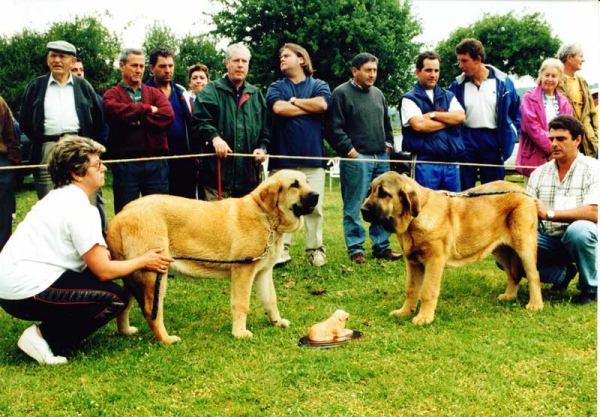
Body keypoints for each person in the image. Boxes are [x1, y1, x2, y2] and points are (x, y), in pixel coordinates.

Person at [0, 136, 173, 364]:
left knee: (100, 287)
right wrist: (144, 260)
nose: (104, 168)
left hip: (9, 288)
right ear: (77, 173)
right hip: (26, 291)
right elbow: (104, 270)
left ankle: (49, 330)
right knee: (113, 298)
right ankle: (43, 338)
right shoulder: (80, 209)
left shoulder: (58, 198)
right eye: (97, 164)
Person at [328, 52, 402, 264]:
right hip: (357, 159)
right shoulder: (341, 93)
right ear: (355, 71)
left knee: (383, 204)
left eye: (375, 70)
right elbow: (334, 129)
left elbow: (387, 125)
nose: (372, 75)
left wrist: (387, 147)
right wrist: (352, 153)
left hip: (381, 158)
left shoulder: (378, 94)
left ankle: (382, 246)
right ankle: (356, 248)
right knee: (354, 205)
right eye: (368, 70)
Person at [266, 43, 332, 267]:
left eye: (286, 56)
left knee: (315, 207)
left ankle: (315, 250)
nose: (281, 59)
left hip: (313, 158)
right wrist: (306, 108)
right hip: (282, 160)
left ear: (302, 59)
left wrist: (293, 102)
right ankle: (280, 251)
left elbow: (322, 104)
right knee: (281, 207)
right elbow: (278, 109)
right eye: (280, 56)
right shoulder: (276, 86)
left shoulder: (319, 85)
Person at [526, 115, 598, 305]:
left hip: (584, 238)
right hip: (548, 239)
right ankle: (562, 273)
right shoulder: (538, 174)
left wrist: (550, 213)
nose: (554, 144)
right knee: (507, 249)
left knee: (579, 231)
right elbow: (526, 211)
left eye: (561, 139)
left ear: (578, 140)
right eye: (551, 139)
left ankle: (590, 289)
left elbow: (594, 213)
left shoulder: (593, 169)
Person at [19, 40, 104, 199]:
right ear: (47, 59)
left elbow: (99, 120)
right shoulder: (35, 86)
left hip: (80, 150)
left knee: (83, 202)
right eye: (53, 56)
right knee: (49, 203)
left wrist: (84, 143)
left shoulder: (84, 86)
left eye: (62, 56)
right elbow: (25, 121)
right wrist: (43, 139)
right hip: (47, 150)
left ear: (72, 62)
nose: (57, 60)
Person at [192, 43, 268, 200]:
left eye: (244, 61)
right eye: (236, 60)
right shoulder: (211, 91)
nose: (240, 65)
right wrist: (214, 137)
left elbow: (266, 130)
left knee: (245, 225)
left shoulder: (256, 95)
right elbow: (199, 121)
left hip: (248, 181)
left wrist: (262, 148)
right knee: (215, 225)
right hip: (217, 179)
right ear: (227, 63)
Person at [102, 48, 174, 214]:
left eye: (141, 66)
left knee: (160, 214)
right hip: (126, 165)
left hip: (156, 163)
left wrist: (134, 119)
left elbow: (168, 116)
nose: (139, 70)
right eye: (134, 65)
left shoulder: (154, 93)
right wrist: (147, 109)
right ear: (121, 66)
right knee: (126, 215)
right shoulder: (111, 95)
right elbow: (114, 113)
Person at [449, 38, 521, 191]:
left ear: (478, 59)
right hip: (466, 140)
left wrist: (509, 137)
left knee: (493, 191)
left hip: (493, 140)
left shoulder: (504, 83)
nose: (460, 66)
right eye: (459, 61)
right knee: (464, 189)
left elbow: (516, 115)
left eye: (464, 61)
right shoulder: (457, 86)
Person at [400, 51, 465, 191]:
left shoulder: (448, 96)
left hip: (451, 162)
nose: (433, 74)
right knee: (425, 208)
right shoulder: (409, 98)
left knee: (454, 206)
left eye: (436, 70)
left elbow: (460, 117)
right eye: (428, 70)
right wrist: (448, 120)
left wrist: (433, 114)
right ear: (418, 71)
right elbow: (419, 125)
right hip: (425, 162)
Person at [146, 48, 197, 199]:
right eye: (162, 66)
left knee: (186, 208)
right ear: (151, 68)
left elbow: (192, 124)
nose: (168, 70)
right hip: (156, 161)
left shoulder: (181, 92)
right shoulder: (144, 93)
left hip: (184, 160)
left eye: (170, 65)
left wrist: (195, 154)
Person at [516, 59, 573, 186]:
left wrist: (558, 149)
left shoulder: (564, 102)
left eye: (554, 76)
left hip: (559, 157)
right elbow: (531, 128)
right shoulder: (529, 98)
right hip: (534, 157)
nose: (550, 79)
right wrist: (552, 148)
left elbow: (569, 129)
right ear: (540, 75)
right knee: (532, 199)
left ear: (559, 79)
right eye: (547, 75)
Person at [71, 58, 110, 234]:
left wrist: (94, 148)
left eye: (81, 69)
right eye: (75, 70)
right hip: (70, 156)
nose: (79, 73)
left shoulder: (94, 97)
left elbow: (103, 126)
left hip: (90, 155)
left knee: (95, 197)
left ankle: (101, 234)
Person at [556, 43, 598, 157]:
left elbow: (592, 112)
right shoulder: (555, 82)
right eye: (581, 56)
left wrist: (594, 137)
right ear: (569, 58)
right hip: (566, 142)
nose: (583, 60)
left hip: (587, 142)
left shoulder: (582, 81)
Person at [0, 96, 20, 251]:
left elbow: (11, 136)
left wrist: (13, 164)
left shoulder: (0, 103)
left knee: (3, 217)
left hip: (2, 166)